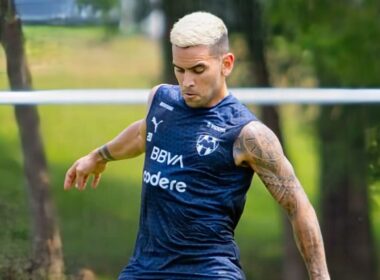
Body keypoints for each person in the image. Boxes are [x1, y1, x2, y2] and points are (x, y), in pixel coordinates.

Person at [64, 11, 330, 280]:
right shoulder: (161, 101)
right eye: (179, 70)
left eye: (198, 69)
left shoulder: (247, 134)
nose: (187, 82)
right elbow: (143, 133)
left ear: (226, 64)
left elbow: (298, 204)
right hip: (145, 269)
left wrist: (320, 277)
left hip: (209, 272)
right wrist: (99, 156)